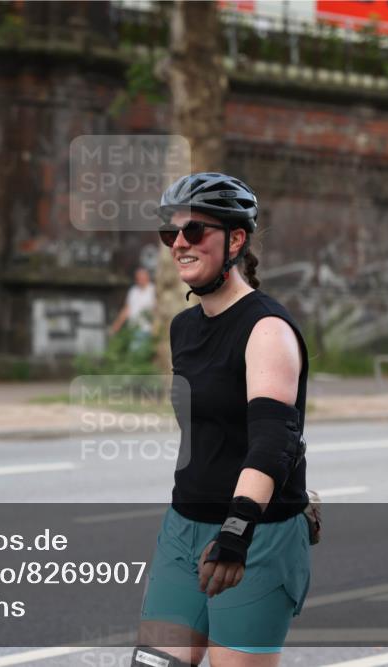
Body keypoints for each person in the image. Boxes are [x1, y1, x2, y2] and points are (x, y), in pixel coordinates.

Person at [132, 173, 311, 667]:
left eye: (195, 231)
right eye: (171, 234)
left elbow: (273, 440)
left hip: (253, 533)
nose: (180, 244)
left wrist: (237, 530)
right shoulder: (184, 328)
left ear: (235, 240)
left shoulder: (267, 329)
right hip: (184, 524)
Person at [109, 267, 156, 349]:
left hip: (146, 329)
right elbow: (127, 309)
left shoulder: (153, 290)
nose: (140, 280)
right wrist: (116, 325)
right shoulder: (133, 291)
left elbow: (156, 311)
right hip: (132, 328)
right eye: (138, 278)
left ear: (147, 277)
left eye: (142, 277)